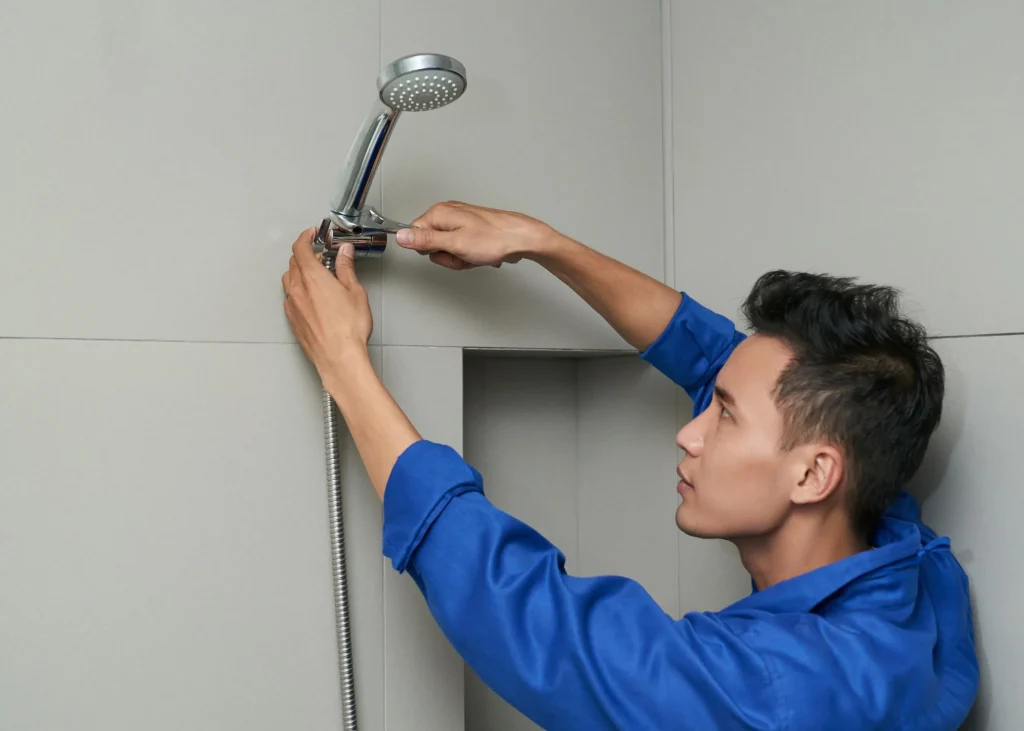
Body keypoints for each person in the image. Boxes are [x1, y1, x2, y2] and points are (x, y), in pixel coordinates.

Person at [280, 201, 979, 730]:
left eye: (723, 414)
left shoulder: (781, 690)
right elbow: (717, 361)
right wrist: (539, 243)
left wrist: (345, 364)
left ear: (811, 476)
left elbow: (534, 620)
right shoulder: (898, 557)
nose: (688, 433)